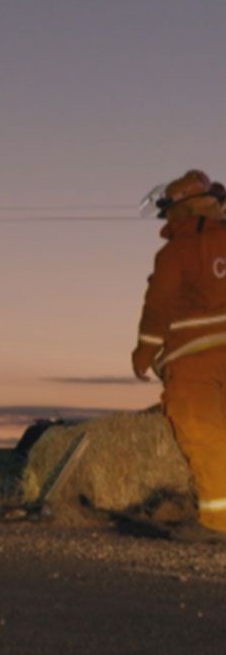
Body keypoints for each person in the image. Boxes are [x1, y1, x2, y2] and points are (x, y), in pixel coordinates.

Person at [132, 169, 226, 534]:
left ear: (179, 210)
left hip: (193, 360)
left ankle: (218, 523)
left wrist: (143, 353)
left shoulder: (176, 251)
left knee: (206, 438)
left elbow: (159, 307)